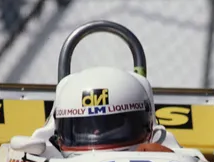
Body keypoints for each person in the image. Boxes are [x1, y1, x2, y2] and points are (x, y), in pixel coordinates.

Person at [42, 65, 179, 154]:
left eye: (111, 125)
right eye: (85, 128)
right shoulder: (42, 160)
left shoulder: (163, 155)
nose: (96, 133)